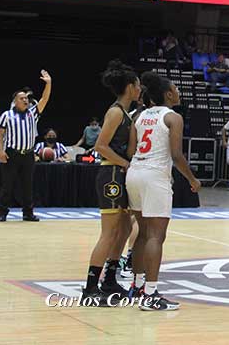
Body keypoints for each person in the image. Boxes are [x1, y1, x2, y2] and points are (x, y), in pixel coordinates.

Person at [126, 71, 201, 310]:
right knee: (156, 236)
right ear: (169, 94)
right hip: (155, 176)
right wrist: (192, 179)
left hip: (134, 173)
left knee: (142, 233)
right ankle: (151, 293)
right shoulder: (173, 117)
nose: (178, 92)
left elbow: (130, 151)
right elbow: (177, 155)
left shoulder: (139, 115)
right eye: (176, 89)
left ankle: (136, 287)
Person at [81, 61, 142, 305]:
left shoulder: (128, 113)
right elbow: (100, 146)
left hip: (121, 174)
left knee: (125, 229)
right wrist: (127, 164)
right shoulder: (116, 111)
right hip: (111, 175)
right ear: (129, 87)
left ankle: (109, 280)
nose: (140, 89)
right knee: (109, 233)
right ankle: (90, 286)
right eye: (137, 85)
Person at [0, 70, 52, 222]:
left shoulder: (32, 113)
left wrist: (48, 83)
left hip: (28, 154)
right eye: (22, 98)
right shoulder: (6, 115)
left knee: (27, 185)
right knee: (7, 185)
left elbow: (44, 99)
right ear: (15, 101)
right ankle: (2, 212)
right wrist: (0, 151)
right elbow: (0, 134)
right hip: (11, 153)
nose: (25, 100)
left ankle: (28, 213)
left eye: (26, 98)